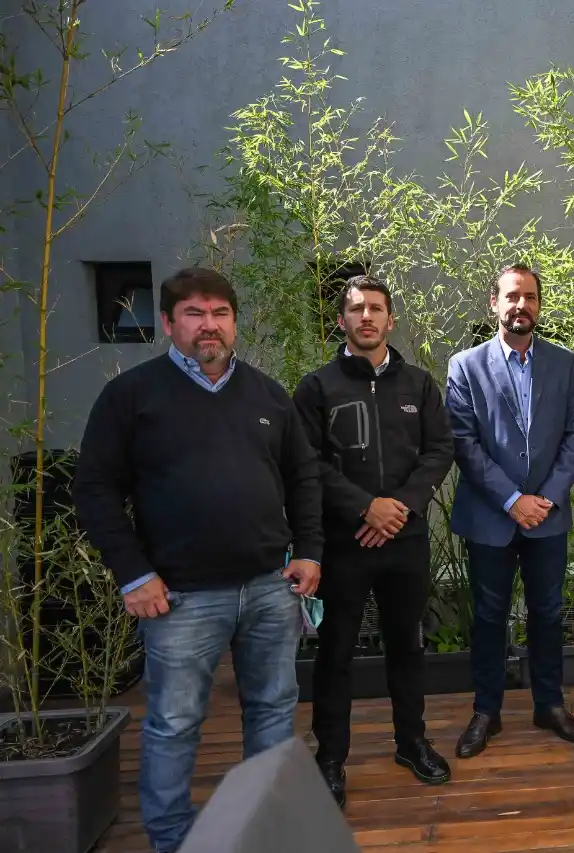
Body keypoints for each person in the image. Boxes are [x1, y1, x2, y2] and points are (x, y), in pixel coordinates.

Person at [73, 267, 323, 853]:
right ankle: (173, 839)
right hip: (179, 596)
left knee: (272, 713)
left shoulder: (268, 395)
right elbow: (94, 489)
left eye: (219, 313)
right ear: (168, 322)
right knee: (174, 724)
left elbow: (304, 478)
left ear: (234, 322)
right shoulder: (133, 396)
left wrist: (311, 551)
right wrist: (133, 574)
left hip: (270, 587)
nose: (208, 325)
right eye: (194, 313)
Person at [292, 275, 455, 806]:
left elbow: (440, 450)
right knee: (335, 652)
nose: (367, 317)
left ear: (390, 319)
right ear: (341, 320)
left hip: (405, 540)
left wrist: (398, 506)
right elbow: (306, 462)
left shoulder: (419, 385)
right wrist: (365, 506)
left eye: (376, 308)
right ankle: (330, 758)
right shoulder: (317, 388)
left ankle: (411, 743)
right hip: (345, 543)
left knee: (407, 645)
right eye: (357, 309)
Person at [445, 263, 574, 757]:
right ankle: (486, 711)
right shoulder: (466, 366)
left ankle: (549, 704)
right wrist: (512, 500)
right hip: (491, 516)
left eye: (529, 296)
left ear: (539, 304)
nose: (520, 305)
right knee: (489, 616)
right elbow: (464, 442)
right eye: (511, 296)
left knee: (548, 613)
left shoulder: (565, 363)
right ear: (495, 303)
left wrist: (545, 498)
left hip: (547, 515)